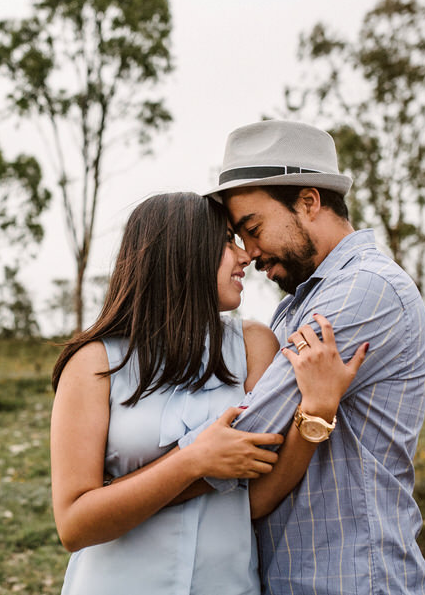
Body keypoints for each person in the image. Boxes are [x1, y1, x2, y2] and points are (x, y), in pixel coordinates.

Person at [50, 191, 367, 594]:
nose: (245, 256)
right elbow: (74, 526)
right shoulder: (95, 363)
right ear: (182, 253)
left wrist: (318, 409)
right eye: (226, 242)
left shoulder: (254, 345)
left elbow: (255, 501)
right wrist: (193, 459)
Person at [184, 119, 425, 594]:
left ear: (308, 201)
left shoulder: (365, 290)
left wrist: (122, 490)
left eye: (252, 228)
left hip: (351, 578)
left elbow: (250, 433)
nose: (251, 253)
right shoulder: (297, 305)